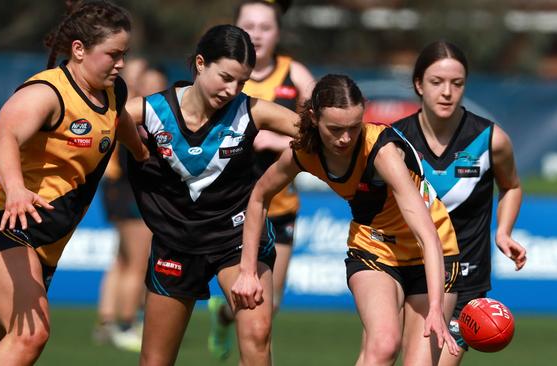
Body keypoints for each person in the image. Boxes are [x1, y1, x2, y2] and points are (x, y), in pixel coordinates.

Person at [0, 1, 148, 365]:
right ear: (78, 50)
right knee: (30, 335)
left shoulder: (114, 93)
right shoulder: (47, 92)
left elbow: (118, 123)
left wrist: (145, 155)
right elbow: (4, 139)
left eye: (124, 54)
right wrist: (15, 188)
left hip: (42, 242)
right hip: (1, 223)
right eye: (113, 54)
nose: (121, 63)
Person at [232, 74, 462, 365]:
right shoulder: (306, 152)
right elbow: (259, 196)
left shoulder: (382, 152)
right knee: (383, 346)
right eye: (335, 129)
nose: (345, 138)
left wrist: (435, 308)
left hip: (432, 250)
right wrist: (248, 270)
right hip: (375, 248)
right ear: (314, 118)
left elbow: (427, 235)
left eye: (354, 128)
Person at [125, 24, 299, 366]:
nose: (232, 90)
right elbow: (89, 120)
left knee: (257, 334)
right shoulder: (151, 111)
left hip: (235, 240)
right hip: (176, 242)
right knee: (155, 360)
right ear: (201, 63)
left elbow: (313, 134)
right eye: (225, 77)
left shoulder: (252, 111)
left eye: (241, 82)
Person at [391, 40, 527, 365]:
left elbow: (512, 186)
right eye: (437, 82)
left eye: (457, 83)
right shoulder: (394, 139)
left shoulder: (490, 139)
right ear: (418, 84)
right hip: (407, 268)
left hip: (465, 275)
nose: (447, 92)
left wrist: (503, 232)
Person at [208, 0, 315, 359]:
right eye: (249, 25)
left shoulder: (295, 75)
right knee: (254, 311)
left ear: (278, 32)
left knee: (271, 305)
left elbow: (321, 134)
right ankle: (229, 316)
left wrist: (277, 138)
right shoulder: (218, 76)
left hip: (278, 208)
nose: (257, 33)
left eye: (265, 27)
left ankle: (221, 316)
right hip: (227, 211)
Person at [93, 58, 167, 352]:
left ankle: (107, 322)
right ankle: (126, 324)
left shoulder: (124, 107)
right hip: (129, 192)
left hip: (116, 191)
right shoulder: (137, 114)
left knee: (122, 260)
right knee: (137, 262)